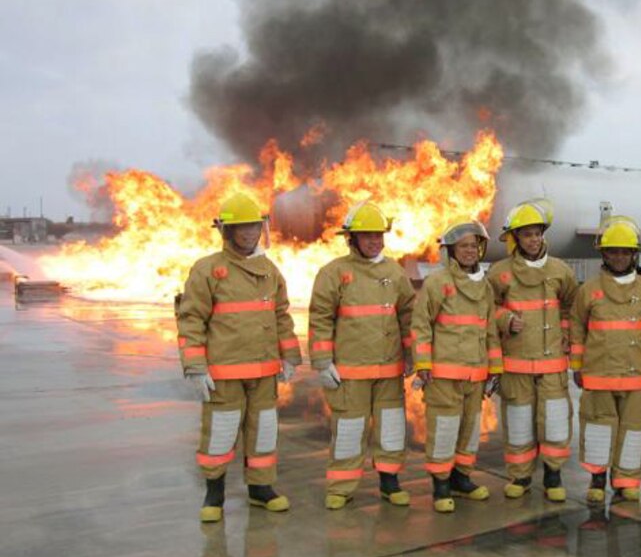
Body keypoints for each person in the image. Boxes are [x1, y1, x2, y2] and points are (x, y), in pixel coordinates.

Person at [176, 191, 302, 522]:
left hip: (263, 372)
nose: (249, 234)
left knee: (263, 431)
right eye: (242, 228)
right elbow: (191, 320)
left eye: (254, 227)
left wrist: (289, 357)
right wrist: (195, 367)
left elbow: (281, 315)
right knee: (220, 433)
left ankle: (261, 490)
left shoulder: (269, 270)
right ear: (227, 232)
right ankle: (214, 494)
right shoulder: (207, 270)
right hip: (224, 373)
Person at [308, 201, 416, 509]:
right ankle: (341, 487)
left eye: (378, 235)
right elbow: (320, 319)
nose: (374, 241)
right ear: (351, 238)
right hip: (350, 373)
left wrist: (412, 355)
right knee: (348, 430)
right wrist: (322, 362)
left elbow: (408, 316)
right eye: (367, 235)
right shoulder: (334, 273)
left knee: (392, 430)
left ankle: (390, 482)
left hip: (389, 371)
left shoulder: (394, 272)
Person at [487, 199, 579, 502]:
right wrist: (504, 319)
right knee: (519, 423)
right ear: (515, 238)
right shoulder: (499, 274)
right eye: (527, 234)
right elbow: (487, 310)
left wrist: (564, 332)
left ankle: (553, 476)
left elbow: (570, 307)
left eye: (538, 233)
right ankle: (520, 477)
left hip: (552, 364)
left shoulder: (561, 271)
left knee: (553, 423)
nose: (534, 239)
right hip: (516, 366)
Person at [411, 220, 503, 513]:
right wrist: (423, 363)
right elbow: (421, 325)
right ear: (451, 251)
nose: (469, 251)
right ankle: (440, 485)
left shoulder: (484, 287)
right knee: (445, 429)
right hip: (444, 375)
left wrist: (495, 370)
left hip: (475, 375)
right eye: (463, 246)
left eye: (474, 246)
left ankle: (461, 479)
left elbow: (489, 330)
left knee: (470, 429)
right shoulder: (437, 283)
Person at [569, 216, 641, 503]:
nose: (619, 257)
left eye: (625, 251)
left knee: (632, 429)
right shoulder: (588, 291)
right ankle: (597, 480)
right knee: (597, 428)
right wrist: (577, 367)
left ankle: (627, 481)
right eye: (613, 251)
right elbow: (578, 330)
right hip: (598, 375)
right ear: (603, 254)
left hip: (637, 378)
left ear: (634, 254)